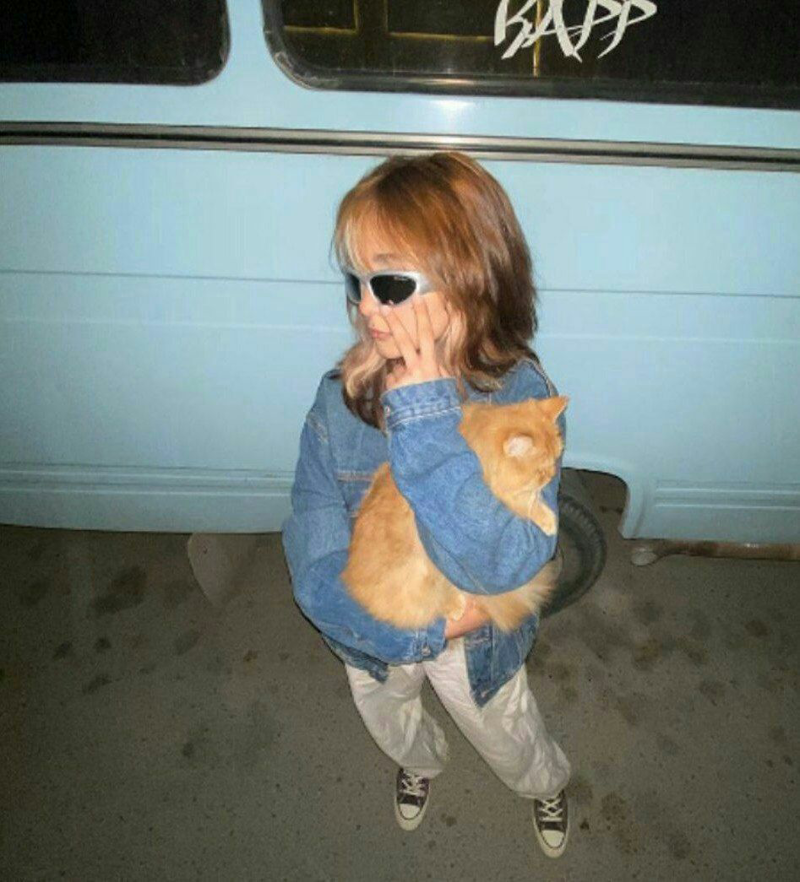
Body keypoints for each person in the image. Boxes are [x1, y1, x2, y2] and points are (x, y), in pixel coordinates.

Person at [281, 151, 571, 859]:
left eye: (388, 283)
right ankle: (420, 762)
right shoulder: (340, 398)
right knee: (392, 720)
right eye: (356, 281)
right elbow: (312, 553)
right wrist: (409, 637)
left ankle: (542, 782)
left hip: (475, 641)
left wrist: (426, 417)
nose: (364, 306)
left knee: (506, 728)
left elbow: (506, 561)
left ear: (469, 282)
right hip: (372, 630)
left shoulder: (520, 398)